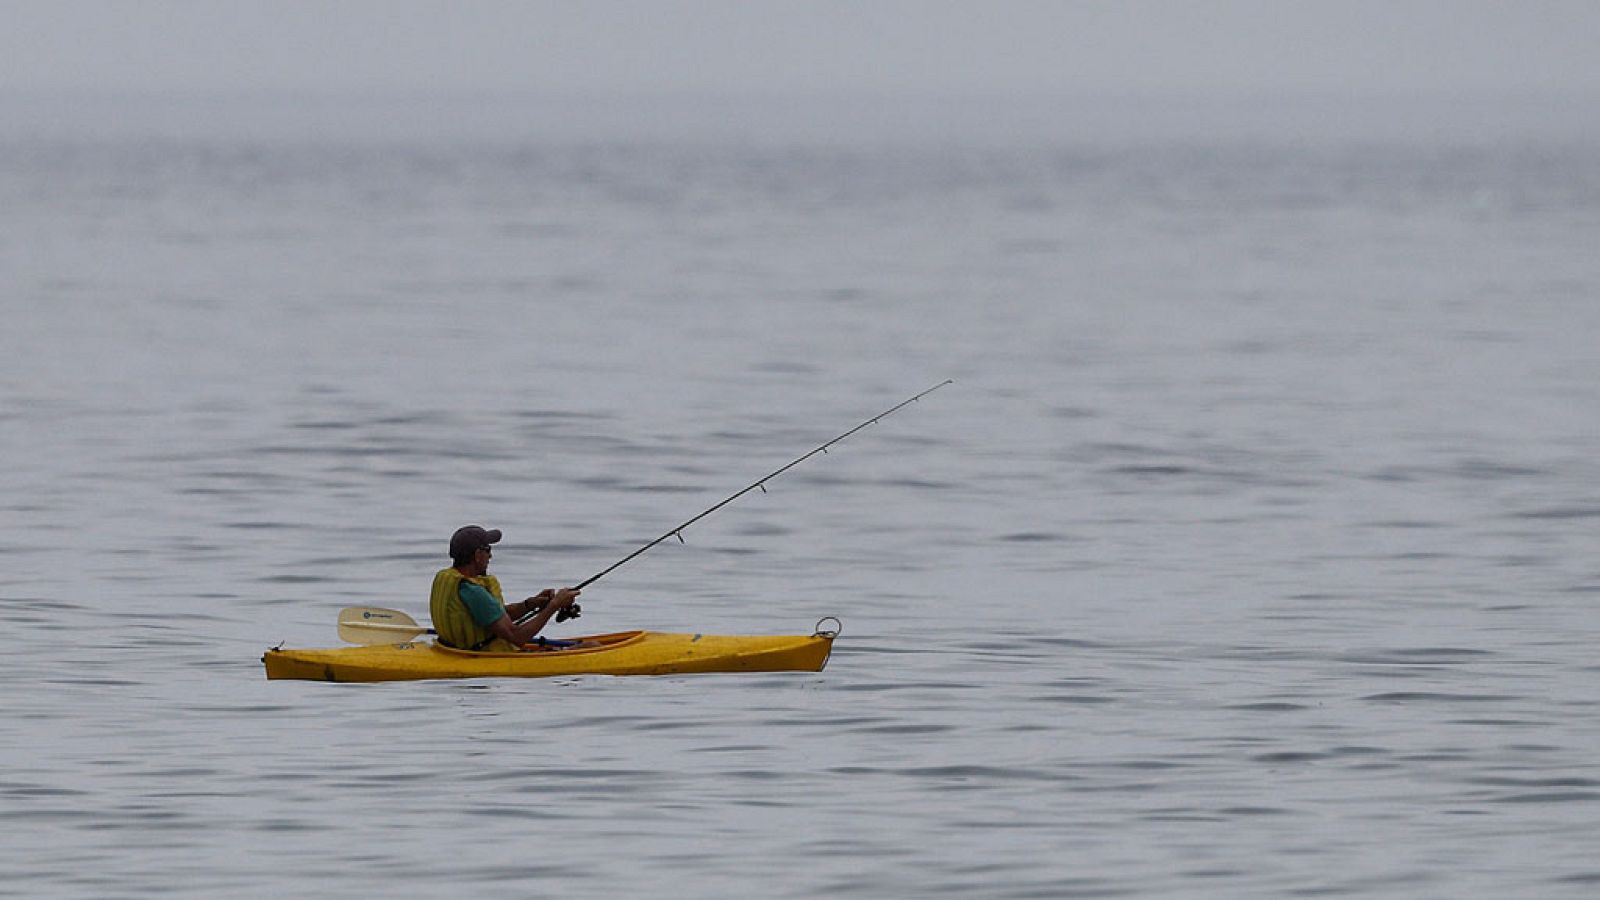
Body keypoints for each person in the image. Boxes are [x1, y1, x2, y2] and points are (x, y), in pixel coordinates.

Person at [430, 525, 581, 652]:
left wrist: (530, 604)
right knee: (588, 646)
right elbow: (517, 637)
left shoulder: (451, 580)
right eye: (488, 550)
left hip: (453, 649)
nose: (490, 556)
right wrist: (554, 605)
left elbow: (494, 615)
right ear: (477, 555)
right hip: (485, 656)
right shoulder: (474, 592)